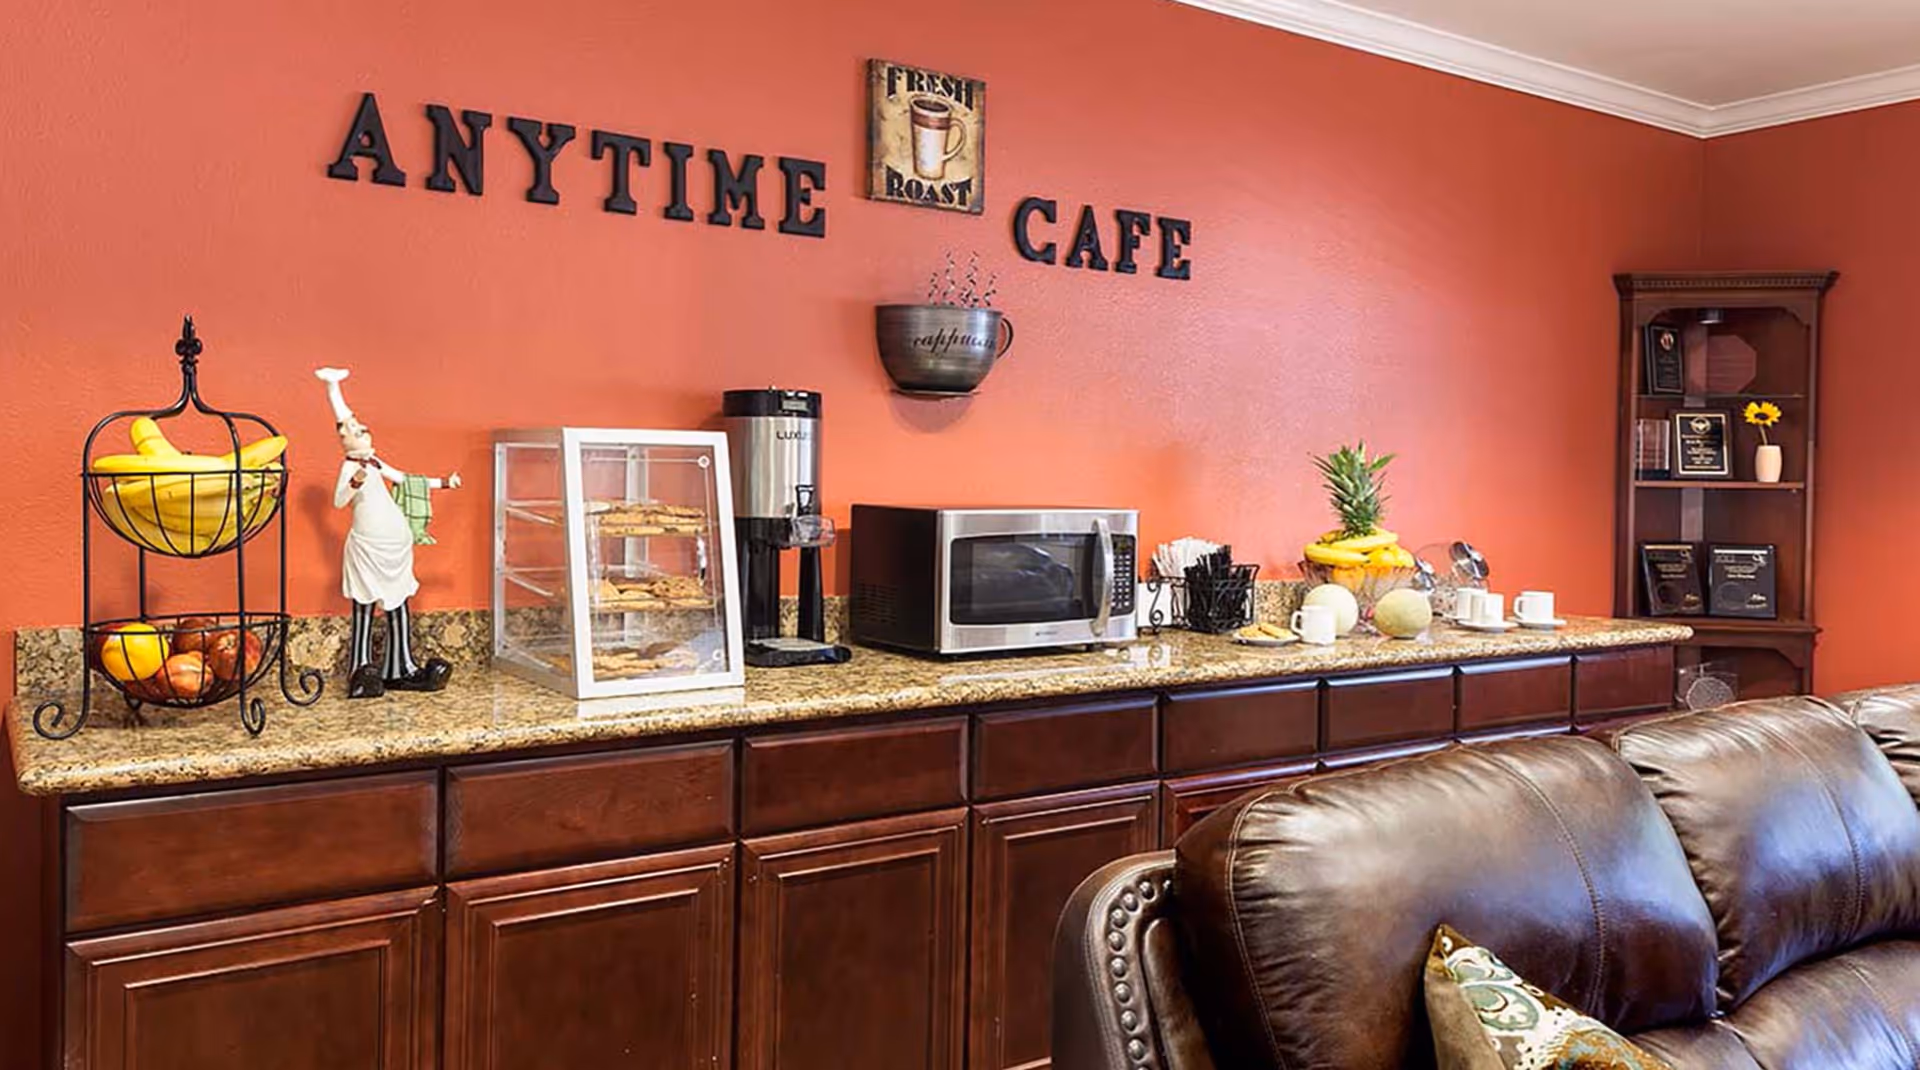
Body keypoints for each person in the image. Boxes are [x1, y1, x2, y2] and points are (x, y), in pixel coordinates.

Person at [316, 367, 461, 698]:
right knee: (365, 605)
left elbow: (407, 480)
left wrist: (443, 483)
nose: (364, 433)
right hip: (368, 550)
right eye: (355, 431)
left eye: (363, 430)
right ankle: (361, 669)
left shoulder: (376, 463)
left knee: (398, 604)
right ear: (345, 440)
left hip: (395, 551)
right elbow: (339, 502)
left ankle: (400, 668)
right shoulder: (351, 468)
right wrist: (355, 482)